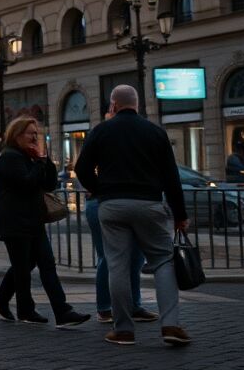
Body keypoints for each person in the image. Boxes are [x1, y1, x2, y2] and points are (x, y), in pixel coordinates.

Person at [75, 85, 190, 346]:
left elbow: (82, 168)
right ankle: (171, 325)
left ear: (113, 105)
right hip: (149, 203)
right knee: (162, 260)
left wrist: (99, 188)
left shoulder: (101, 131)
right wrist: (180, 214)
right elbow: (172, 178)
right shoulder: (155, 132)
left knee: (117, 264)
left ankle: (123, 329)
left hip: (112, 204)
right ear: (136, 104)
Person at [0, 116, 90, 328]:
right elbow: (26, 183)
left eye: (36, 133)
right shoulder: (10, 157)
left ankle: (62, 311)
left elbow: (49, 184)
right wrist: (38, 162)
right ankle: (25, 309)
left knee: (44, 264)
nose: (34, 137)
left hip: (33, 221)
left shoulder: (30, 156)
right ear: (16, 135)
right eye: (30, 133)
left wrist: (45, 160)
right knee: (23, 268)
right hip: (15, 223)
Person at [84, 108, 157, 324]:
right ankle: (105, 307)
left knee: (135, 257)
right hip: (103, 203)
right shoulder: (101, 136)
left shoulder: (124, 139)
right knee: (108, 257)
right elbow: (83, 167)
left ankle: (133, 305)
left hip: (119, 201)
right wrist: (99, 190)